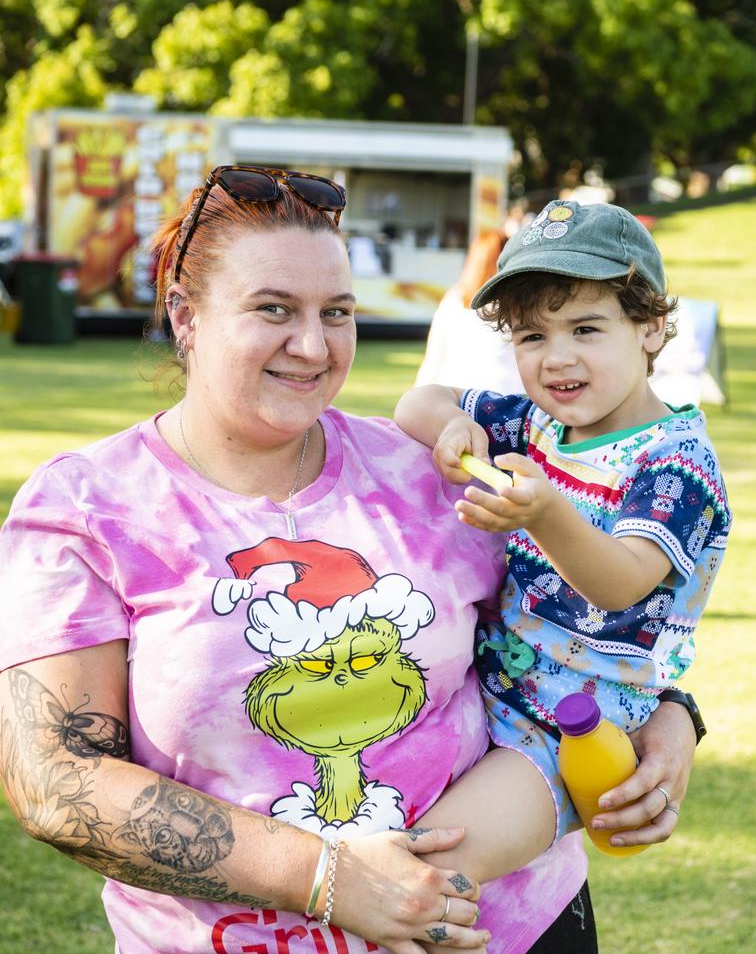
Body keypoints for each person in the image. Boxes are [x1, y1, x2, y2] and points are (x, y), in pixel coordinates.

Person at [0, 173, 698, 954]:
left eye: (336, 313)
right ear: (185, 316)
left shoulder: (426, 469)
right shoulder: (87, 508)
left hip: (519, 927)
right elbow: (55, 782)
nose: (312, 344)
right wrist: (326, 877)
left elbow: (571, 614)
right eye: (274, 309)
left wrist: (672, 715)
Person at [396, 199, 729, 862]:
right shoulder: (541, 425)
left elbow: (622, 582)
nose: (556, 358)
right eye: (532, 336)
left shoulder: (673, 463)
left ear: (653, 328)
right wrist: (457, 430)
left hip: (567, 730)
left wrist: (544, 513)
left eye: (585, 329)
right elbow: (416, 402)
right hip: (482, 686)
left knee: (423, 868)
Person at [415, 230, 525, 396]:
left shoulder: (453, 299)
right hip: (501, 400)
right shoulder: (516, 304)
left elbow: (433, 359)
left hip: (454, 398)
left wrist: (417, 398)